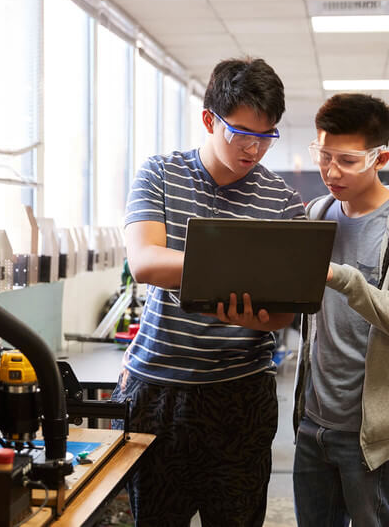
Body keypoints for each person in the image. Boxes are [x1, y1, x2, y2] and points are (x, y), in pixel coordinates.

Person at [112, 57, 305, 526]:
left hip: (241, 395)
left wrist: (251, 315)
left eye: (266, 136)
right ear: (208, 120)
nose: (253, 149)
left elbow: (285, 311)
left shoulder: (283, 201)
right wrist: (242, 272)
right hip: (159, 391)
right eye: (241, 133)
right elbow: (145, 262)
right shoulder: (159, 173)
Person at [292, 93, 389, 527]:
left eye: (347, 160)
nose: (331, 171)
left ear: (380, 157)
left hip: (370, 434)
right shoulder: (317, 214)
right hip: (313, 423)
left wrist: (346, 280)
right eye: (323, 156)